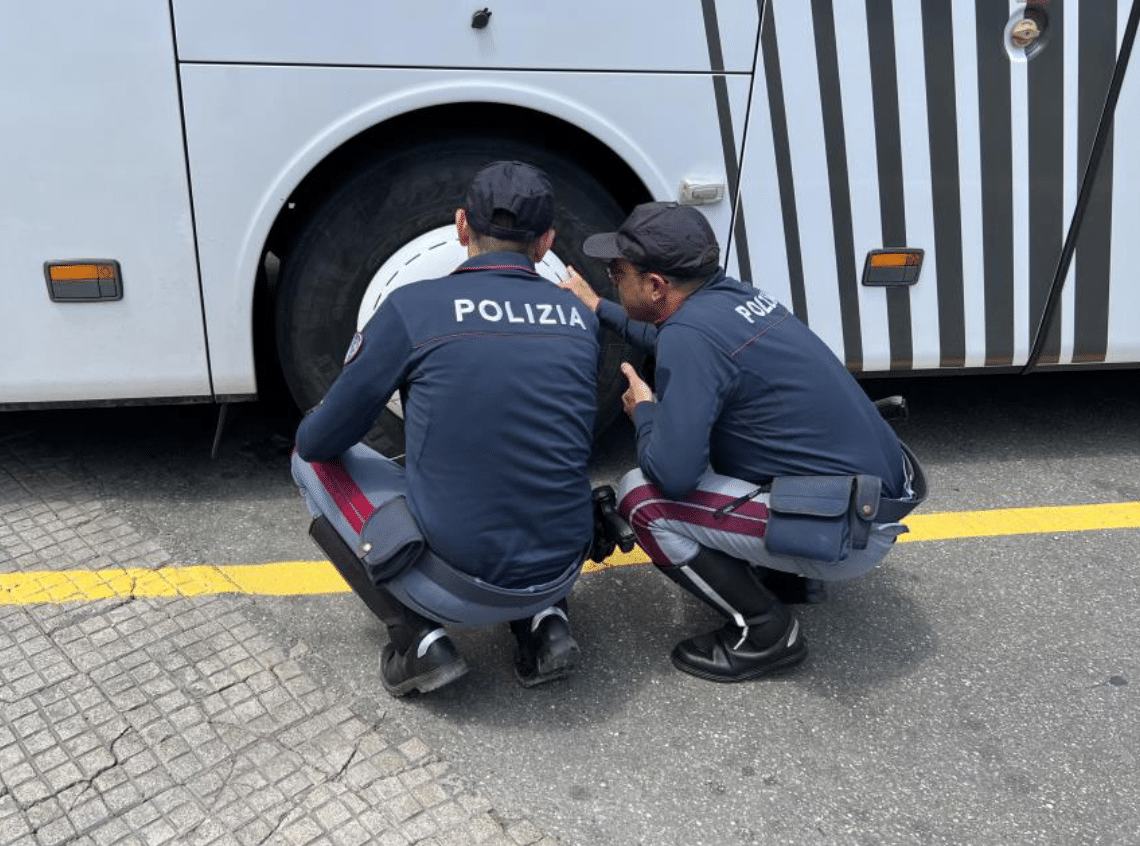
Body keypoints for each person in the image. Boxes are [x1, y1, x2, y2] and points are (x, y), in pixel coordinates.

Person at [559, 202, 926, 683]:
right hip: (871, 494)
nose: (611, 278)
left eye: (617, 271)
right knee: (728, 436)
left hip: (851, 531)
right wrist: (598, 307)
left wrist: (643, 412)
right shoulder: (735, 298)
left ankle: (767, 631)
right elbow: (671, 336)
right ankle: (789, 578)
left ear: (656, 286)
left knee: (642, 499)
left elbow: (673, 476)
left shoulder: (690, 337)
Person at [291, 161, 600, 696]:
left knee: (308, 458)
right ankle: (545, 624)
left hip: (456, 588)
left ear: (461, 225)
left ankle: (419, 640)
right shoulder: (581, 319)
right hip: (561, 570)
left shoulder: (414, 309)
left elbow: (321, 441)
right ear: (546, 242)